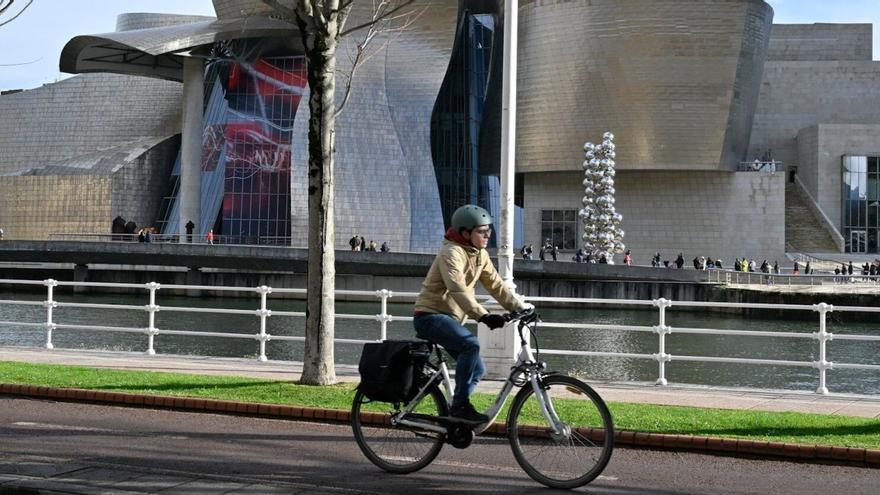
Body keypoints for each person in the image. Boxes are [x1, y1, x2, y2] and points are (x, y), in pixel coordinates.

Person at [413, 205, 531, 423]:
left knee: (477, 369)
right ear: (465, 233)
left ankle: (457, 414)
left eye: (489, 230)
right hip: (429, 316)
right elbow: (456, 288)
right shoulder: (451, 252)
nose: (488, 235)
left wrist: (520, 308)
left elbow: (496, 285)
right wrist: (483, 316)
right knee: (471, 345)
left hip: (449, 319)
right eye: (481, 231)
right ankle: (459, 407)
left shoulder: (480, 254)